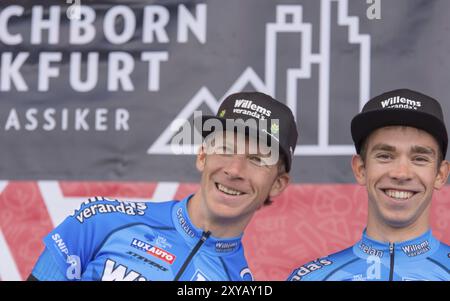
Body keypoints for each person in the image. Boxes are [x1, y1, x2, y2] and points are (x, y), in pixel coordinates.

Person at [28, 91, 298, 281]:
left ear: (277, 184)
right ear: (203, 155)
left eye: (257, 159)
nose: (234, 170)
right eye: (225, 148)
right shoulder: (101, 221)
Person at [288, 88, 450, 281]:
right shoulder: (311, 278)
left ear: (440, 174)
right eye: (385, 156)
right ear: (361, 169)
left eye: (420, 158)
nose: (401, 173)